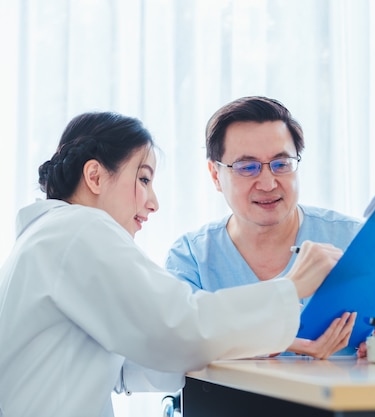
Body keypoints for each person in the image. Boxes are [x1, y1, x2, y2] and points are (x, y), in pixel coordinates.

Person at [0, 111, 343, 417]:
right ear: (95, 177)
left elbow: (130, 362)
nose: (154, 203)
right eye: (144, 179)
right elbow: (180, 326)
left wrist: (260, 342)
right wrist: (293, 286)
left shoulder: (53, 236)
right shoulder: (80, 230)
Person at [166, 96, 375, 359]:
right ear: (215, 176)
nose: (268, 183)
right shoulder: (191, 258)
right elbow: (176, 348)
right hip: (228, 400)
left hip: (340, 398)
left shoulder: (353, 239)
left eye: (281, 164)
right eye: (247, 168)